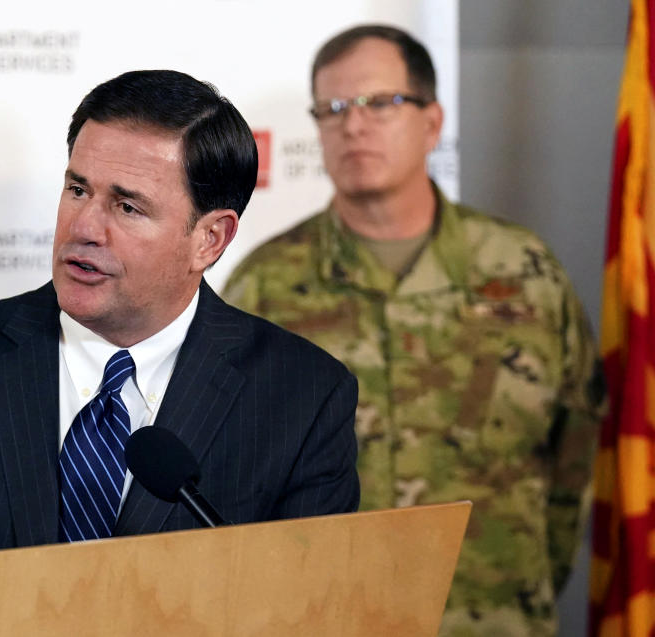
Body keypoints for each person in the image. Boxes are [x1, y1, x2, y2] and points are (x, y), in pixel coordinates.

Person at [0, 70, 359, 566]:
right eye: (78, 189)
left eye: (128, 207)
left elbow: (318, 607)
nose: (85, 228)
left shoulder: (303, 397)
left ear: (209, 239)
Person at [222, 25, 605, 637]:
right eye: (334, 109)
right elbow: (233, 483)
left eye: (381, 103)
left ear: (432, 122)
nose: (354, 125)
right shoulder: (262, 289)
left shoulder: (525, 273)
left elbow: (575, 458)